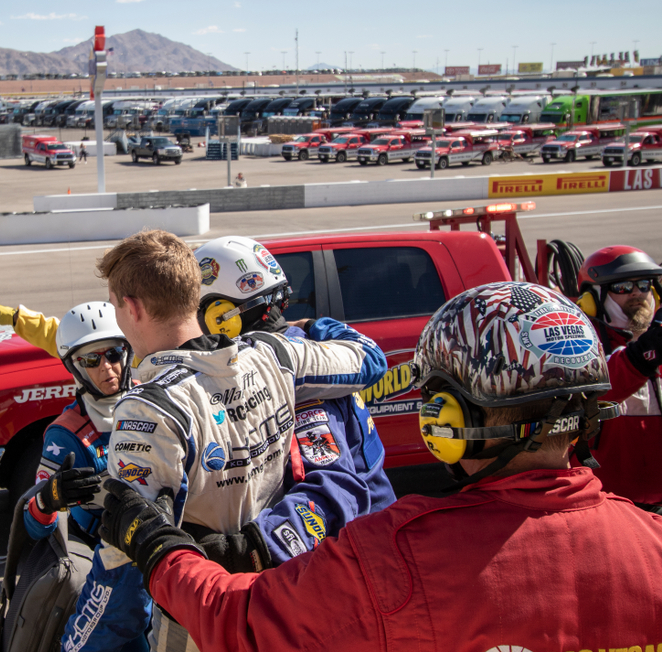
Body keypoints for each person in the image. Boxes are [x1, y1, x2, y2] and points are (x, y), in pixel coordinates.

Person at [100, 281, 662, 651]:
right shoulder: (653, 542)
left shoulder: (392, 556)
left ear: (449, 416)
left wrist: (158, 548)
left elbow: (238, 622)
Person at [97, 229, 388, 651]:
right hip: (284, 594)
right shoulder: (277, 354)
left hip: (202, 610)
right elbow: (369, 359)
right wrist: (314, 325)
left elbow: (121, 569)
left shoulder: (148, 408)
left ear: (132, 307)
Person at [187, 236, 395, 568]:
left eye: (198, 315)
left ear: (223, 317)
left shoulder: (291, 380)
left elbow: (335, 492)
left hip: (359, 563)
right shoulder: (312, 349)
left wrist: (249, 550)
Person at [0, 301, 151, 652]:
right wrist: (48, 499)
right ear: (73, 367)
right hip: (109, 581)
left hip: (163, 564)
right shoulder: (65, 435)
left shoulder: (156, 402)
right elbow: (35, 527)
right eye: (91, 360)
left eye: (114, 354)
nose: (108, 368)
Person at [575, 245, 662, 512]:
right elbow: (599, 389)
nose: (637, 293)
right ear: (595, 298)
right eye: (623, 286)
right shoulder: (580, 343)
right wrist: (643, 353)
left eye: (644, 284)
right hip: (605, 505)